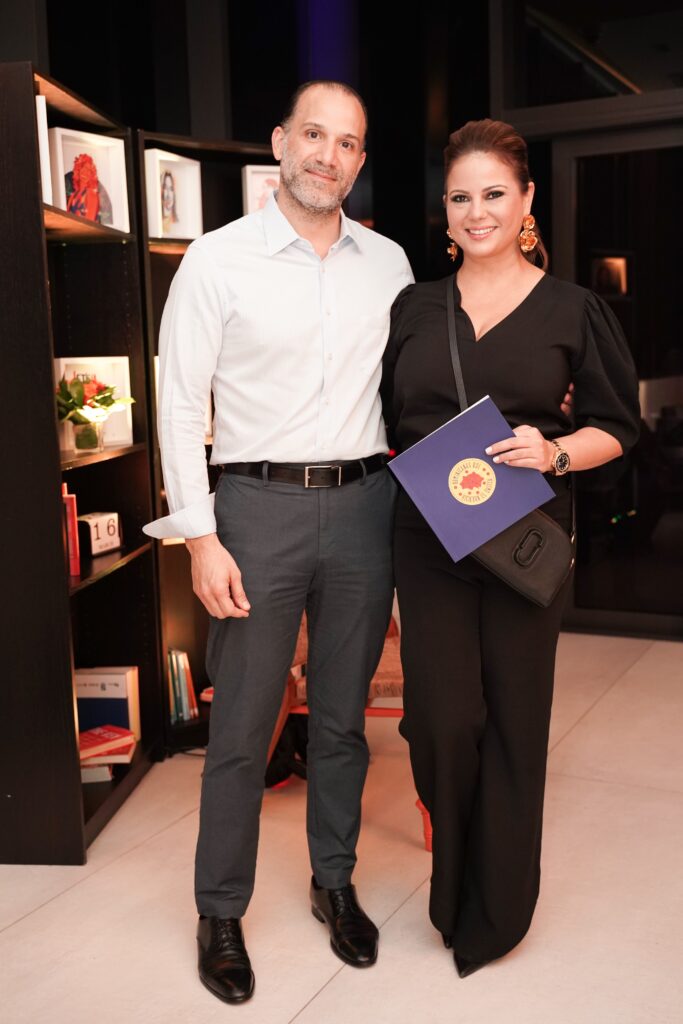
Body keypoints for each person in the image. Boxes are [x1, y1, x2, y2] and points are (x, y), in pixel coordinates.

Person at [143, 80, 413, 1004]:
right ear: (280, 142)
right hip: (255, 509)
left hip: (366, 504)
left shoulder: (388, 263)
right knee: (243, 725)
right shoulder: (216, 260)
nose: (327, 155)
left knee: (340, 721)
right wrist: (199, 539)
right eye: (313, 135)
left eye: (347, 142)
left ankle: (332, 882)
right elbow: (180, 406)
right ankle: (219, 911)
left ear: (359, 160)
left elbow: (415, 389)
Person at [381, 119, 640, 978]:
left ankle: (494, 909)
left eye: (494, 193)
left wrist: (554, 451)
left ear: (526, 200)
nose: (476, 211)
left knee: (515, 719)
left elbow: (616, 426)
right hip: (427, 537)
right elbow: (385, 416)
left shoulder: (572, 308)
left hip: (522, 537)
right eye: (460, 197)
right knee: (441, 720)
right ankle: (452, 877)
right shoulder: (414, 307)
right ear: (444, 209)